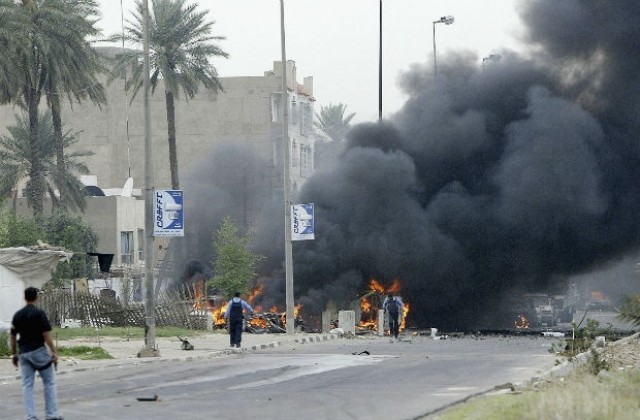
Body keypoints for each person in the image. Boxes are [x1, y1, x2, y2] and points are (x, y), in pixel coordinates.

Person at [10, 287, 63, 420]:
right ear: (36, 298)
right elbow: (46, 334)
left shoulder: (17, 315)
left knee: (27, 385)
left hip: (24, 354)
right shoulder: (39, 314)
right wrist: (54, 352)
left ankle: (31, 416)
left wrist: (14, 354)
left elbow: (12, 337)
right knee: (49, 383)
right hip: (39, 352)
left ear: (25, 297)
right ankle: (52, 415)